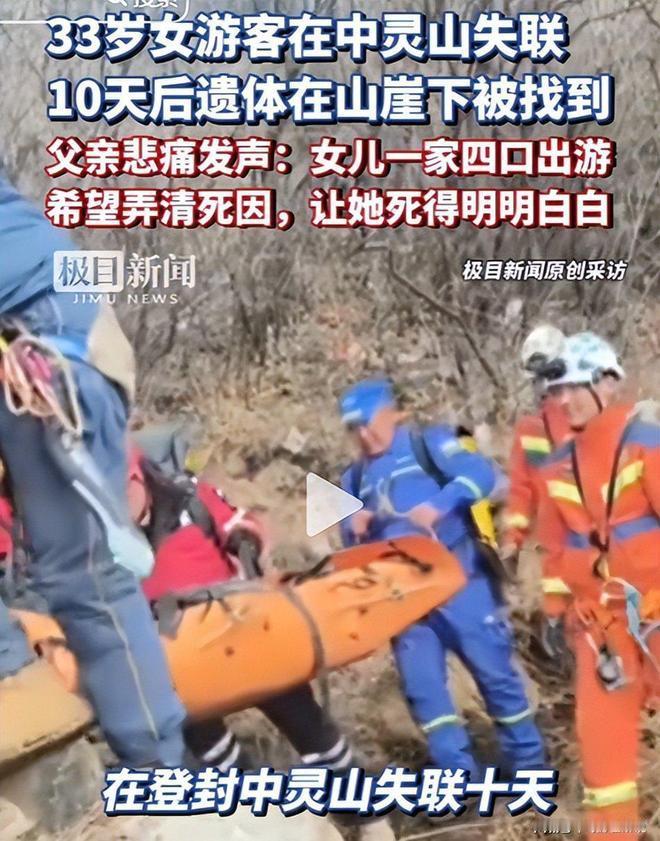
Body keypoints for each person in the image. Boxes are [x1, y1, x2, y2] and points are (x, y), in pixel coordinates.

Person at [0, 174, 186, 767]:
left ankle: (157, 767)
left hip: (50, 358)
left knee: (87, 579)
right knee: (83, 578)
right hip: (64, 342)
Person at [127, 441, 395, 841]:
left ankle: (366, 819)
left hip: (242, 629)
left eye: (122, 488)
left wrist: (246, 543)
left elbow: (242, 523)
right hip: (182, 655)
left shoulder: (191, 499)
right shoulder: (99, 538)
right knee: (207, 745)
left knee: (308, 725)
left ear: (140, 478)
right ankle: (270, 818)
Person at [338, 378, 545, 779]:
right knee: (425, 692)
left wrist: (439, 504)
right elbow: (350, 549)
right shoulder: (353, 478)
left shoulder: (428, 444)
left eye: (369, 423)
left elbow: (481, 475)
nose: (364, 435)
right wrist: (353, 526)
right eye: (354, 428)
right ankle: (459, 780)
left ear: (391, 414)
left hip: (462, 583)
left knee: (496, 678)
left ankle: (530, 768)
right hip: (406, 602)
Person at [539, 332, 660, 840]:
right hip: (601, 630)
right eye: (556, 390)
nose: (562, 400)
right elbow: (554, 549)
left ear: (606, 382)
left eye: (573, 387)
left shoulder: (646, 440)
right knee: (604, 768)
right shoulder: (557, 464)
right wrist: (557, 611)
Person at [502, 325, 573, 659]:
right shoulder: (530, 429)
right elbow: (521, 492)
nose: (542, 387)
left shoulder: (589, 416)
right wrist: (512, 540)